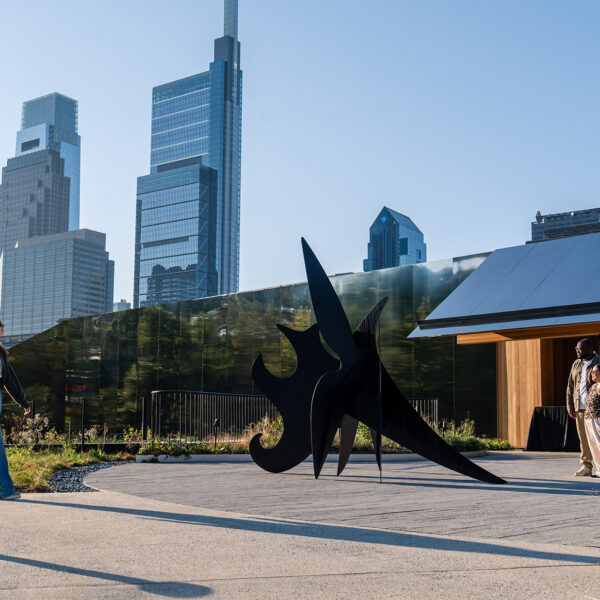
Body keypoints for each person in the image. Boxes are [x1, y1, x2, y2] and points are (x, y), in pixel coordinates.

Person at [0, 320, 30, 500]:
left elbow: (10, 380)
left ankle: (4, 489)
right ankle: (4, 490)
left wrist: (23, 402)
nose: (3, 328)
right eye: (0, 325)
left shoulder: (1, 353)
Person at [566, 338, 600, 477]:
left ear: (590, 349)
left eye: (580, 349)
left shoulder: (598, 362)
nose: (578, 351)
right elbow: (570, 386)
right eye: (577, 349)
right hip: (579, 408)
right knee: (585, 439)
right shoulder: (576, 364)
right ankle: (586, 466)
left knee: (598, 439)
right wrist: (570, 404)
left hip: (596, 408)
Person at [585, 364, 600, 476]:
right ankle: (599, 469)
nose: (592, 374)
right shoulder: (593, 386)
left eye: (595, 371)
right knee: (593, 445)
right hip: (589, 419)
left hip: (598, 419)